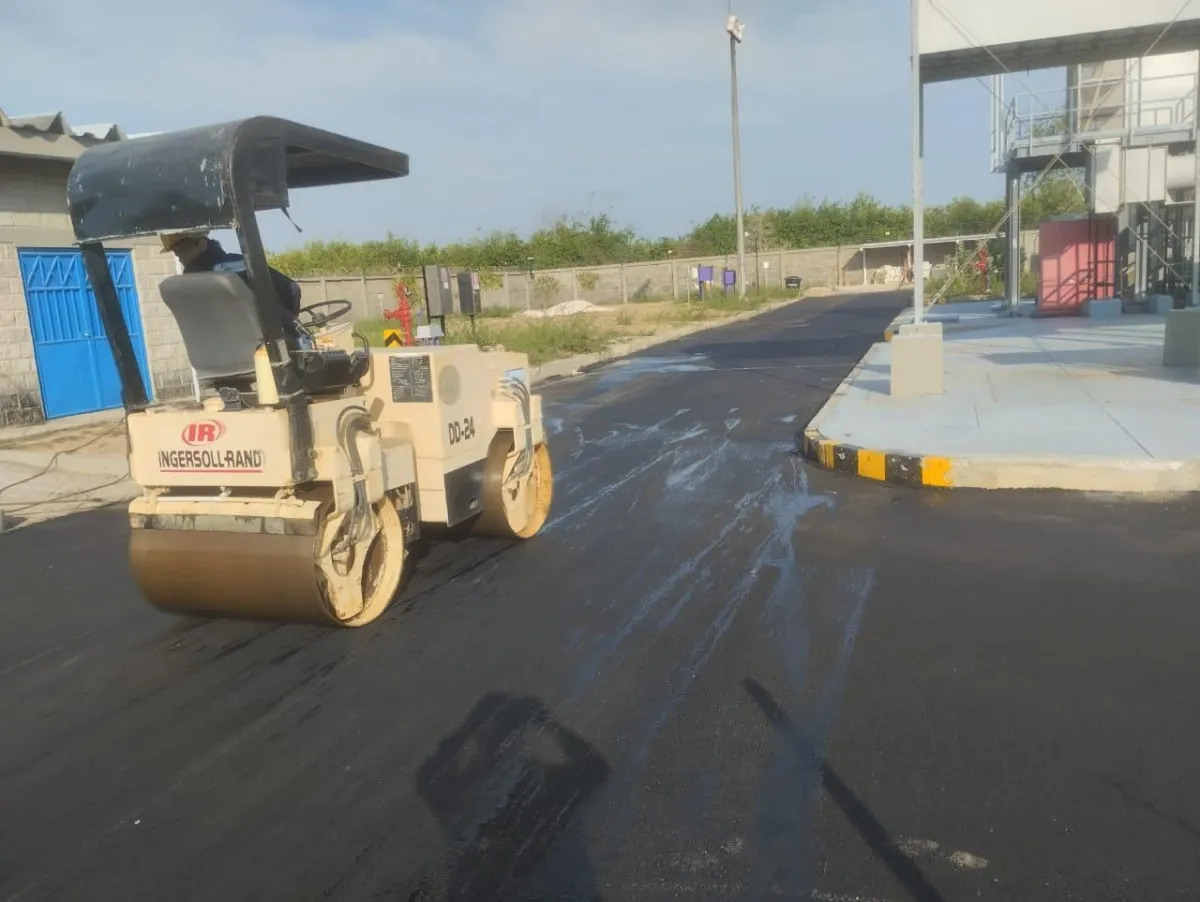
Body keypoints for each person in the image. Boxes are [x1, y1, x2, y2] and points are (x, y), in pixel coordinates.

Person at [159, 230, 314, 349]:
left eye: (182, 250)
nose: (179, 257)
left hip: (213, 357)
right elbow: (293, 289)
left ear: (201, 244)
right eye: (176, 252)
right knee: (303, 341)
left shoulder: (184, 285)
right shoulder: (244, 263)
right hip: (264, 353)